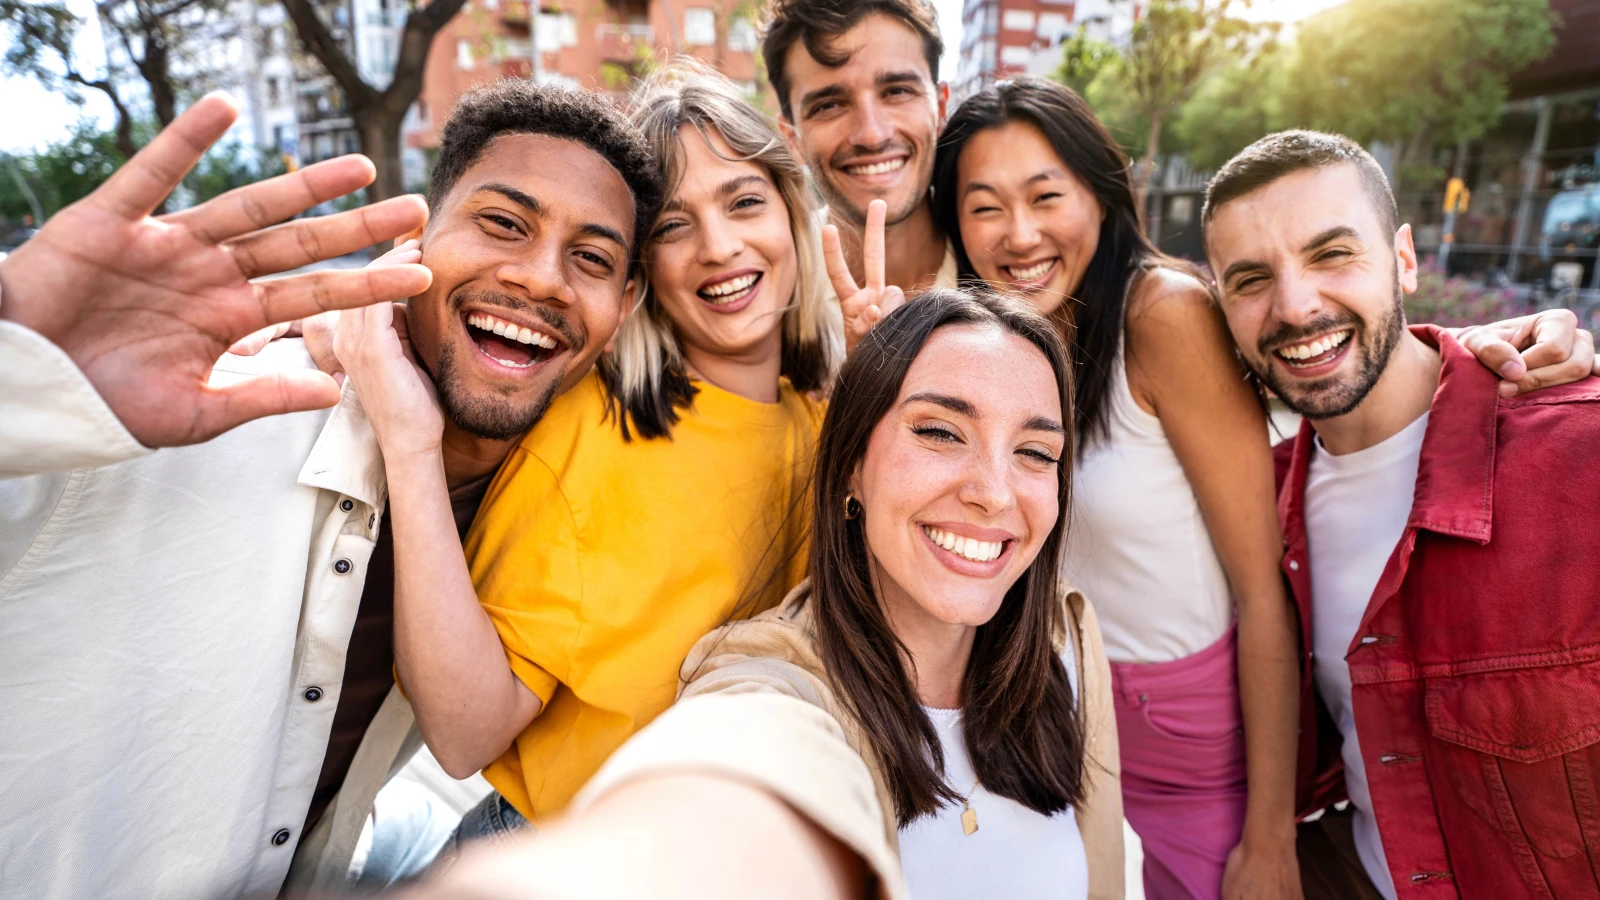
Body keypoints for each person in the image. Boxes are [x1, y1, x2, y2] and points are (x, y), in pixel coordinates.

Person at [0, 81, 661, 898]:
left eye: (592, 259)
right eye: (502, 224)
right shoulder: (187, 414)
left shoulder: (539, 518)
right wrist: (21, 366)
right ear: (416, 236)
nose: (542, 279)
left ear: (624, 306)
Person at [412, 288, 1125, 900]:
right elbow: (727, 795)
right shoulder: (773, 686)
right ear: (850, 466)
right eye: (940, 432)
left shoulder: (1064, 636)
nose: (994, 492)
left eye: (1035, 452)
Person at [334, 63, 839, 847]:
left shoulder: (823, 421)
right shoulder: (591, 428)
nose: (719, 246)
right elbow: (466, 734)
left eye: (745, 202)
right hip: (558, 847)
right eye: (674, 225)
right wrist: (407, 439)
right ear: (641, 282)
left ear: (792, 216)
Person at [927, 76, 1298, 900]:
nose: (1019, 234)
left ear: (1101, 195)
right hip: (1066, 722)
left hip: (1196, 740)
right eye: (984, 207)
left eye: (1045, 196)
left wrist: (1271, 838)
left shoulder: (1161, 316)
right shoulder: (1002, 346)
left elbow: (1264, 589)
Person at [1203, 129, 1600, 900]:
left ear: (1405, 260)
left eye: (1331, 254)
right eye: (1250, 279)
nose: (1295, 305)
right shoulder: (1263, 505)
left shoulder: (1578, 452)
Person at [763, 0, 956, 327]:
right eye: (829, 105)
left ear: (939, 108)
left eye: (897, 91)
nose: (872, 134)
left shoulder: (1005, 264)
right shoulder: (765, 293)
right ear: (792, 138)